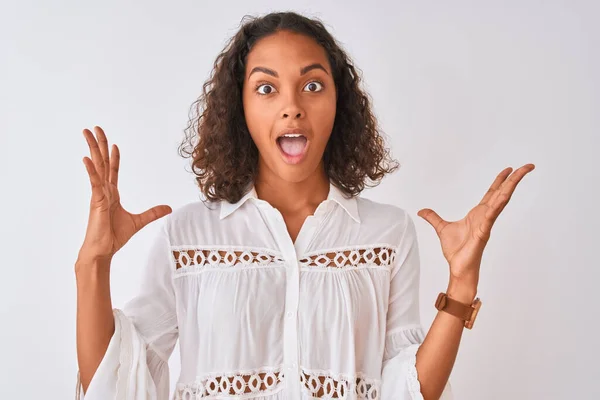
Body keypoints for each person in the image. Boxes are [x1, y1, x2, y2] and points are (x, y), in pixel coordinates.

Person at [74, 11, 535, 400]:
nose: (292, 107)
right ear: (241, 108)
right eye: (266, 88)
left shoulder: (388, 234)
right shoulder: (187, 236)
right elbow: (117, 383)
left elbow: (407, 389)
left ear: (340, 103)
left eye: (312, 86)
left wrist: (461, 283)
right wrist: (93, 265)